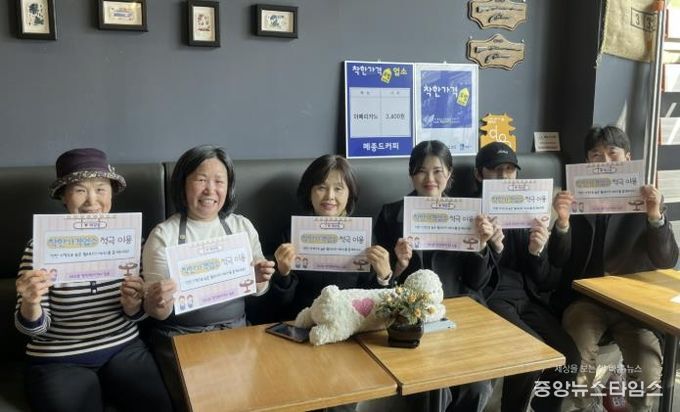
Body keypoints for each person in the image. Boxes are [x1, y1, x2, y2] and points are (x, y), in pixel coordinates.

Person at [14, 148, 171, 412]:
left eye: (100, 189)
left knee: (162, 406)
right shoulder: (40, 246)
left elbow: (139, 315)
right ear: (63, 197)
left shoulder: (130, 241)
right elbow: (33, 329)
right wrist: (31, 302)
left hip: (123, 348)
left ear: (111, 194)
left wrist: (133, 306)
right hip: (59, 358)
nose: (92, 201)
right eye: (79, 190)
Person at [550, 125, 679, 411]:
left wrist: (655, 216)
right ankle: (587, 406)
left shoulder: (645, 200)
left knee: (647, 373)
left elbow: (666, 260)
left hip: (632, 306)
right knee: (578, 359)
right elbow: (557, 260)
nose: (605, 162)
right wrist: (562, 223)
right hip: (585, 300)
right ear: (587, 162)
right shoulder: (576, 200)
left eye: (613, 154)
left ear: (628, 159)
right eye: (596, 156)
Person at [142, 145, 276, 412]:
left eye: (219, 181)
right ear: (183, 185)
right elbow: (156, 312)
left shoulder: (241, 227)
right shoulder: (163, 235)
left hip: (236, 332)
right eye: (201, 180)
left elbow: (259, 289)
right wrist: (157, 302)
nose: (210, 190)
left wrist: (260, 278)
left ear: (229, 187)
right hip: (180, 338)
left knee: (252, 399)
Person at [373, 140, 496, 412]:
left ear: (449, 174)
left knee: (477, 387)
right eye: (421, 171)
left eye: (438, 171)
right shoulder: (390, 215)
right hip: (413, 315)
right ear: (411, 174)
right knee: (434, 387)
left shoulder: (468, 214)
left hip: (461, 312)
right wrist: (399, 265)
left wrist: (481, 246)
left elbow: (478, 283)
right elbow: (382, 285)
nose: (430, 179)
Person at [473, 142, 580, 412]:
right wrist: (492, 247)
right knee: (531, 355)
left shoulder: (529, 208)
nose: (504, 176)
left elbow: (545, 280)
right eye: (496, 170)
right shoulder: (472, 213)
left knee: (570, 358)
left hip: (527, 298)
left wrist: (536, 251)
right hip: (490, 299)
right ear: (479, 174)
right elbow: (473, 277)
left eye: (510, 169)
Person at [269, 154, 393, 321]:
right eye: (321, 187)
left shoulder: (363, 236)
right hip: (304, 323)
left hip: (350, 324)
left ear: (349, 194)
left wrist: (384, 277)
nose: (330, 196)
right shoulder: (290, 235)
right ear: (309, 192)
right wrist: (283, 274)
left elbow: (374, 302)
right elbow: (279, 306)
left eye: (338, 189)